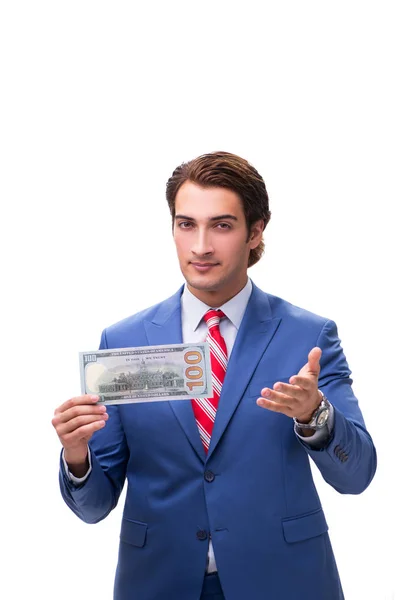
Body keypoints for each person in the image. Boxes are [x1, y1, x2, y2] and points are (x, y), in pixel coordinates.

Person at [53, 151, 377, 600]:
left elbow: (357, 475)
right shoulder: (123, 342)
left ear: (256, 231)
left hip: (285, 582)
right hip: (159, 582)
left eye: (221, 225)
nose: (200, 245)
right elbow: (94, 507)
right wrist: (77, 457)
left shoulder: (309, 337)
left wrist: (315, 415)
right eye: (186, 224)